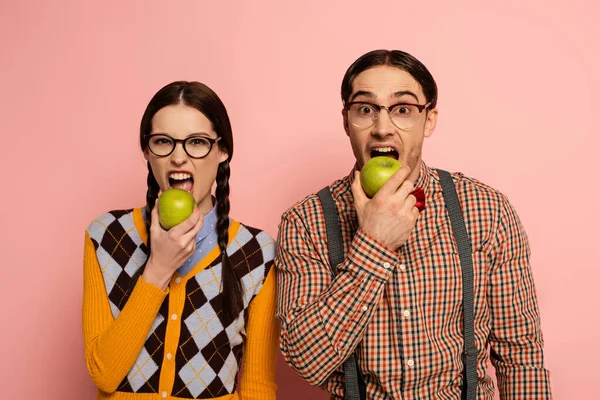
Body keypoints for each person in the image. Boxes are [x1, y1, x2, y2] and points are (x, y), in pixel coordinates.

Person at [275, 50, 552, 399]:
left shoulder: (487, 210)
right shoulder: (306, 221)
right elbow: (306, 360)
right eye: (365, 109)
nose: (382, 128)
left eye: (402, 109)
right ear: (346, 121)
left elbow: (521, 357)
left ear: (430, 120)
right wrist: (374, 243)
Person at [82, 81, 278, 400]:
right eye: (163, 142)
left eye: (197, 142)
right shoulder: (106, 237)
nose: (178, 157)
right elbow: (104, 374)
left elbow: (258, 388)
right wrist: (158, 269)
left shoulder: (258, 253)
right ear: (147, 150)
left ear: (223, 150)